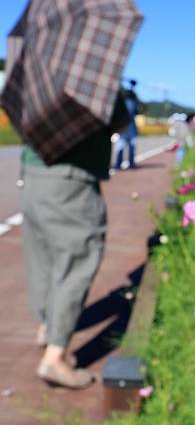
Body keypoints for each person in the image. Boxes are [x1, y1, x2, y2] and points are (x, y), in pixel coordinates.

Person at [20, 93, 129, 389]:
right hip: (72, 180)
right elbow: (120, 120)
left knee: (40, 257)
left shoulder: (37, 78)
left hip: (32, 174)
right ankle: (55, 357)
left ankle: (46, 326)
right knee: (78, 260)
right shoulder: (90, 76)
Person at [113, 79, 140, 170]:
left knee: (120, 145)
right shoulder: (134, 101)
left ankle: (118, 164)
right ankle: (131, 164)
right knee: (131, 146)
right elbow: (136, 112)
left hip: (122, 126)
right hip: (131, 126)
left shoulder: (122, 101)